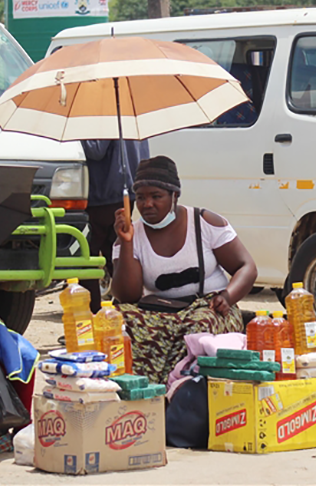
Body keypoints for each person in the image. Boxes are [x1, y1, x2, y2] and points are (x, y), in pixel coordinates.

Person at [111, 156, 258, 384]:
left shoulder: (205, 222)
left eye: (156, 197)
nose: (147, 204)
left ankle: (181, 389)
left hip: (208, 307)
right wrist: (127, 242)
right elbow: (127, 296)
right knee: (118, 320)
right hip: (161, 312)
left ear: (174, 196)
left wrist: (228, 297)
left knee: (199, 326)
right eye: (140, 198)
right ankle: (143, 389)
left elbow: (246, 267)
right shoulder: (132, 233)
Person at [80, 140, 150, 313]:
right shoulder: (129, 115)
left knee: (86, 258)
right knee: (116, 253)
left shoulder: (102, 114)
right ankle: (128, 313)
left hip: (104, 191)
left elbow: (96, 149)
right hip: (125, 188)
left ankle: (93, 315)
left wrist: (78, 137)